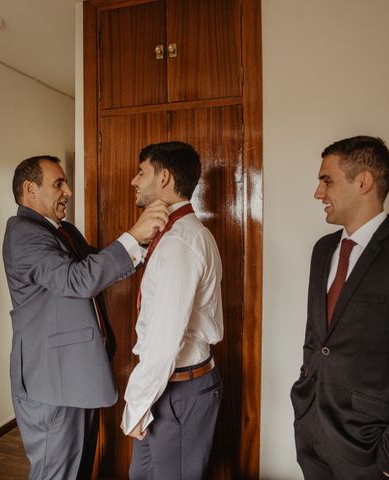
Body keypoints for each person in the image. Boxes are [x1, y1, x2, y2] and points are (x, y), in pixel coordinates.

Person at [2, 155, 169, 480]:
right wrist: (134, 234)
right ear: (29, 189)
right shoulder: (23, 233)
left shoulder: (62, 230)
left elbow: (95, 263)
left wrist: (146, 242)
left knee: (75, 473)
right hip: (51, 381)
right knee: (57, 474)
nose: (68, 192)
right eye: (58, 184)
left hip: (75, 374)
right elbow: (76, 280)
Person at [291, 136, 389, 480]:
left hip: (372, 453)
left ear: (363, 181)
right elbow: (316, 337)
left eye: (327, 180)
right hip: (312, 439)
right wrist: (303, 399)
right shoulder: (322, 250)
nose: (318, 193)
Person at [121, 141, 224, 480]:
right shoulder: (170, 236)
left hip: (178, 391)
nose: (134, 181)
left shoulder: (180, 242)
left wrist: (136, 405)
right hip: (165, 387)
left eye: (141, 172)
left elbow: (164, 341)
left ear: (164, 177)